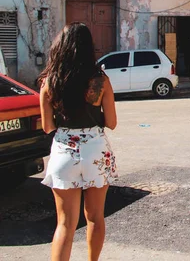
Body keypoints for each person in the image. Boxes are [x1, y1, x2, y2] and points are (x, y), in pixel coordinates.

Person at [38, 23, 118, 261]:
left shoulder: (50, 84)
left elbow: (48, 127)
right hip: (95, 151)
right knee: (95, 217)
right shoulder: (100, 81)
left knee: (65, 224)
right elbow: (112, 123)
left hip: (64, 152)